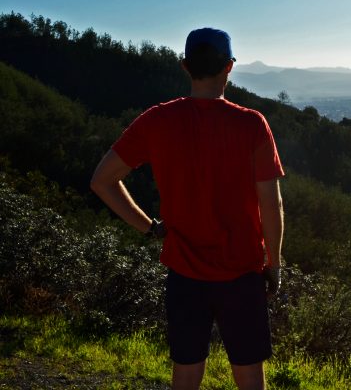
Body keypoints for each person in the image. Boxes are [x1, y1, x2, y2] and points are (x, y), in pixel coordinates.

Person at [90, 28, 285, 390]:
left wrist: (149, 227)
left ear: (185, 66)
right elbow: (270, 204)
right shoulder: (251, 124)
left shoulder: (157, 120)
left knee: (186, 373)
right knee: (249, 376)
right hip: (242, 273)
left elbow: (102, 181)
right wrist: (273, 264)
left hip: (184, 272)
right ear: (229, 67)